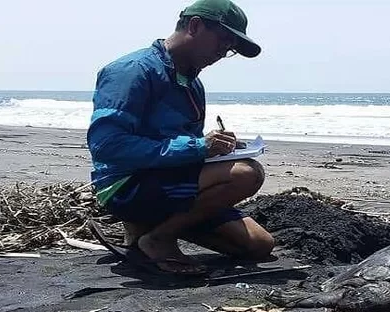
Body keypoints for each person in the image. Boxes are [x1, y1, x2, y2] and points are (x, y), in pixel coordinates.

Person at [87, 0, 274, 275]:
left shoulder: (192, 82)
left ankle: (151, 230)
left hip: (168, 181)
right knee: (247, 173)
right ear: (195, 26)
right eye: (222, 41)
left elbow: (186, 145)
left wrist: (219, 150)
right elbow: (107, 147)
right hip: (127, 187)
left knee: (259, 245)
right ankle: (157, 237)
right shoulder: (133, 71)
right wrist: (198, 147)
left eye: (229, 49)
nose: (222, 53)